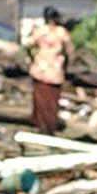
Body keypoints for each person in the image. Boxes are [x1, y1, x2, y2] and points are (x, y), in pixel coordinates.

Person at [25, 7, 71, 135]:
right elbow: (69, 52)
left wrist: (32, 57)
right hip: (55, 70)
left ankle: (42, 126)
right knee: (52, 101)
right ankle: (50, 126)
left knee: (41, 101)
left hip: (40, 68)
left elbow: (28, 45)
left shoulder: (40, 31)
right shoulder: (62, 32)